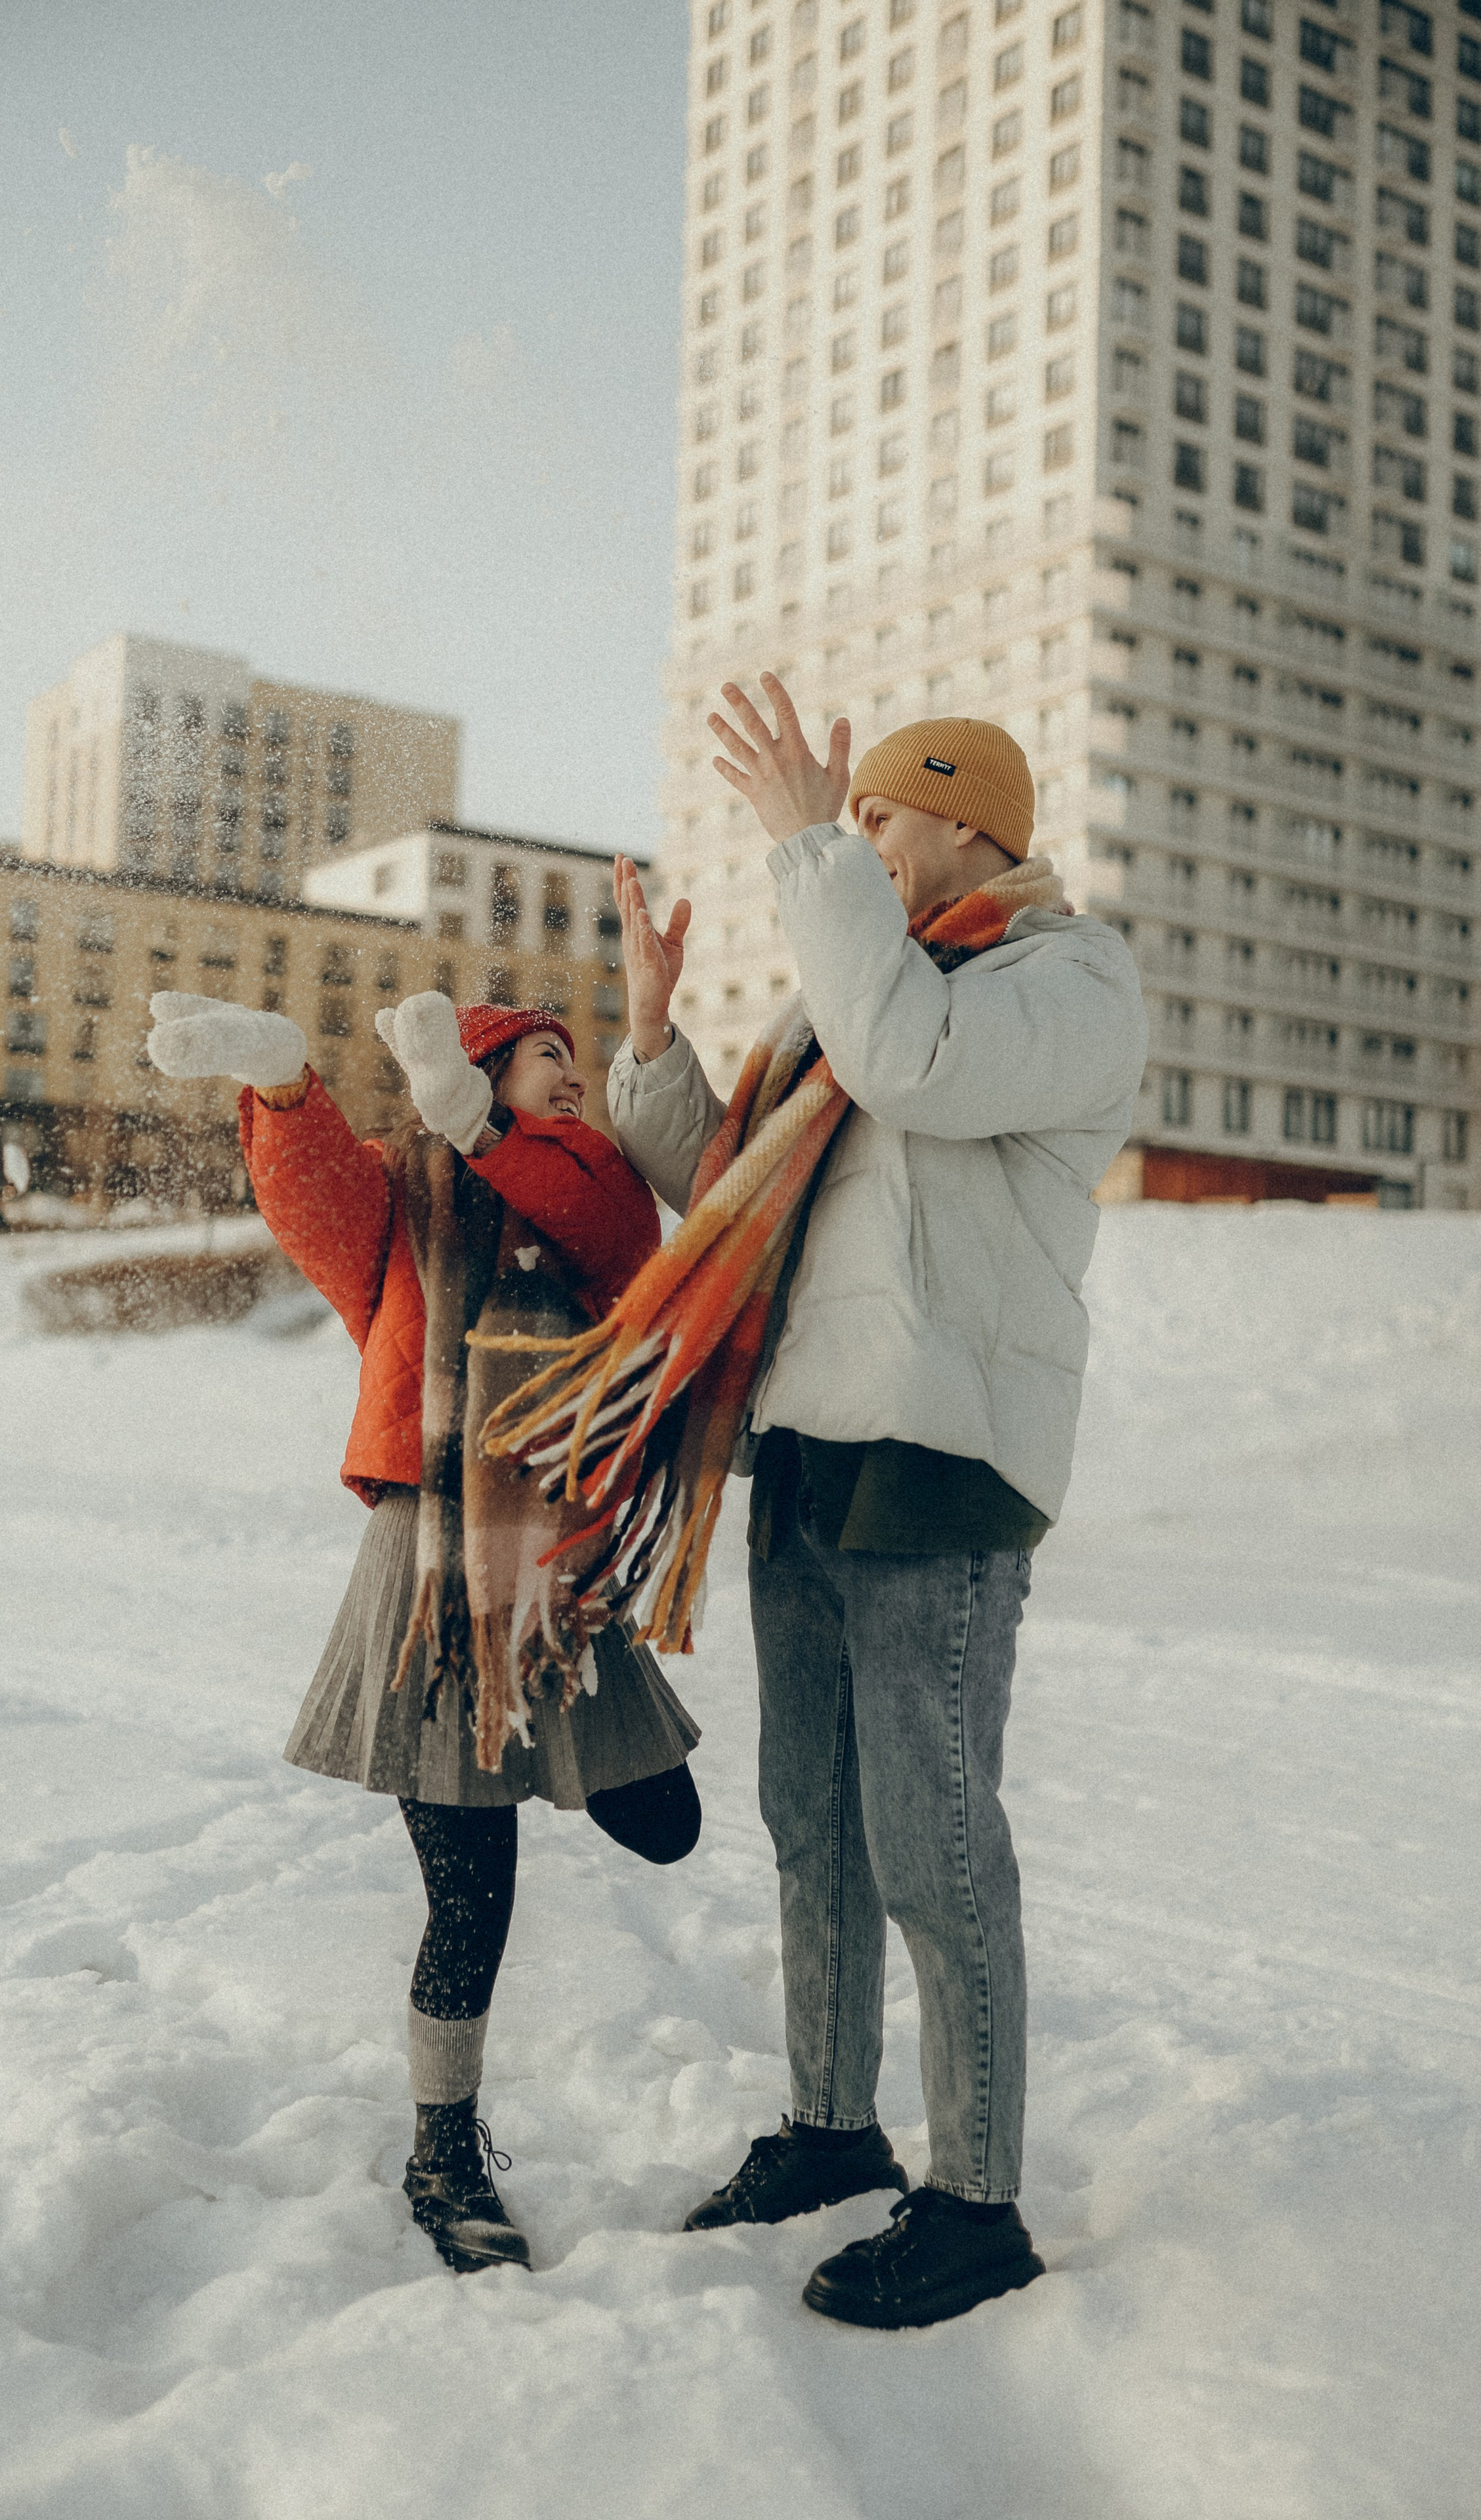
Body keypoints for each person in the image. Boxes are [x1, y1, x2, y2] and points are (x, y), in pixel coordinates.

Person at [605, 676, 1148, 2332]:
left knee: (933, 1845)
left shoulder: (1063, 980)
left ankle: (975, 2201)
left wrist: (799, 852)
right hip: (808, 1451)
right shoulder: (860, 988)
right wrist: (645, 1035)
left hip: (939, 1455)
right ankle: (829, 2131)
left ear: (970, 823)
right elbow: (722, 1179)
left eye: (878, 820)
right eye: (850, 827)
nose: (854, 843)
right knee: (814, 1832)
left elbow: (908, 1064)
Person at [146, 986, 702, 2278]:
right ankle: (440, 2153)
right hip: (426, 1551)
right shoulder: (406, 1201)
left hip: (555, 1560)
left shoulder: (601, 1188)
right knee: (470, 1892)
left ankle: (449, 2139)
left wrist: (481, 1114)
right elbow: (317, 1205)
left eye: (576, 1058)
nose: (569, 1074)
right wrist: (287, 1094)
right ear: (478, 1064)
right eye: (541, 1058)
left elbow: (604, 1234)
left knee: (661, 1824)